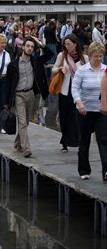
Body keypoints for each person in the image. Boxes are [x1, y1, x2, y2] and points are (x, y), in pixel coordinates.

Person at [5, 36, 52, 157]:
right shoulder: (13, 65)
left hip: (31, 94)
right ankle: (26, 148)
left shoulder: (36, 61)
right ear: (22, 47)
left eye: (32, 47)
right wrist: (7, 101)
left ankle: (17, 143)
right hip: (18, 95)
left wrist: (41, 44)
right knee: (22, 121)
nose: (30, 48)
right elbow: (8, 84)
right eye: (28, 46)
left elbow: (50, 54)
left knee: (26, 121)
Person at [72, 41, 107, 180]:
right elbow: (74, 88)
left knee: (104, 140)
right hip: (84, 110)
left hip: (102, 111)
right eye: (96, 56)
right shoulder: (82, 70)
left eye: (101, 56)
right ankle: (84, 170)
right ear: (90, 56)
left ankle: (106, 171)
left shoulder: (106, 70)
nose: (98, 59)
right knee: (84, 140)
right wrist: (79, 103)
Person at [52, 34, 87, 153]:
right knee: (64, 117)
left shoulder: (84, 59)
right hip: (65, 91)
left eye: (69, 44)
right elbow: (53, 68)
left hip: (79, 92)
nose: (67, 46)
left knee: (77, 117)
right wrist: (60, 69)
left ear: (75, 44)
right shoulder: (62, 56)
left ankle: (77, 140)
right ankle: (65, 143)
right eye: (65, 44)